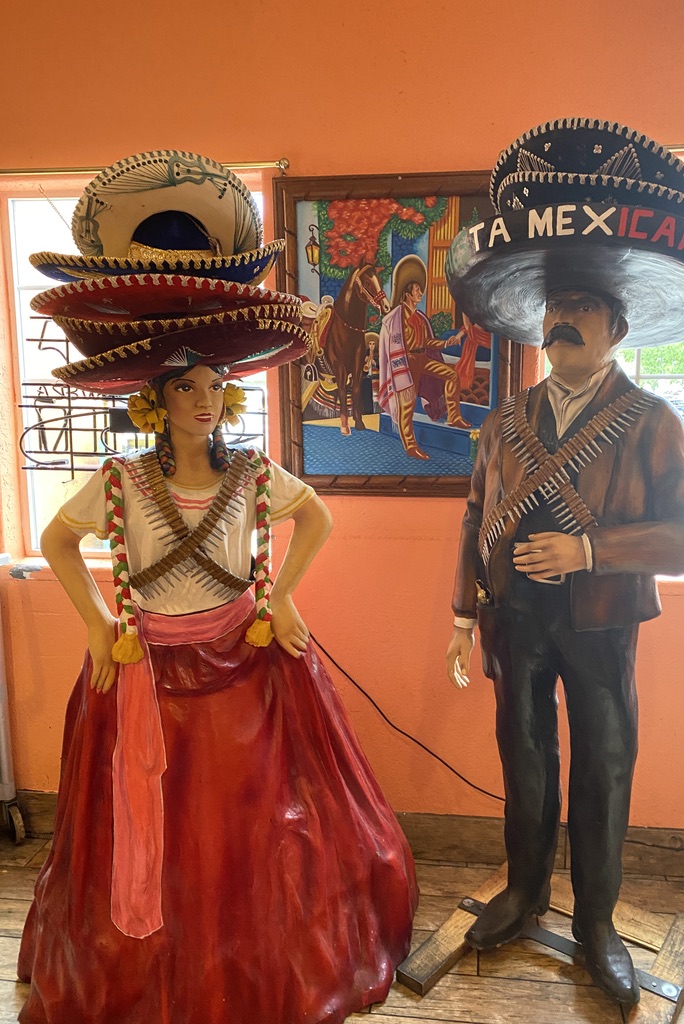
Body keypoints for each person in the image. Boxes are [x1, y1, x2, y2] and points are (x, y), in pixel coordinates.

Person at [17, 151, 417, 1024]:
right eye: (187, 387)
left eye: (216, 387)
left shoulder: (251, 476)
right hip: (143, 674)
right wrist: (93, 622)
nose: (206, 399)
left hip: (248, 665)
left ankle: (265, 958)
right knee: (150, 835)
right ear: (158, 402)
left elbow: (315, 519)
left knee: (260, 824)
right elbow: (55, 538)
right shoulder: (121, 479)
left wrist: (281, 597)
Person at [442, 118, 684, 1008]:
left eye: (581, 309)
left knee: (603, 768)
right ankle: (521, 892)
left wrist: (589, 549)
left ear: (616, 326)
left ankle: (595, 925)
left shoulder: (652, 420)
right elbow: (475, 515)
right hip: (515, 619)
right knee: (524, 759)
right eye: (554, 310)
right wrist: (465, 613)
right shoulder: (505, 422)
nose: (560, 323)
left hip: (600, 625)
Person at [378, 254, 470, 459]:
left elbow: (427, 343)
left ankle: (454, 416)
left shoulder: (420, 318)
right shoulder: (394, 319)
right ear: (407, 294)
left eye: (420, 288)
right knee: (407, 405)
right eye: (417, 289)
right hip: (405, 363)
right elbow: (392, 349)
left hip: (422, 360)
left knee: (452, 375)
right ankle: (410, 445)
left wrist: (446, 343)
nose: (420, 292)